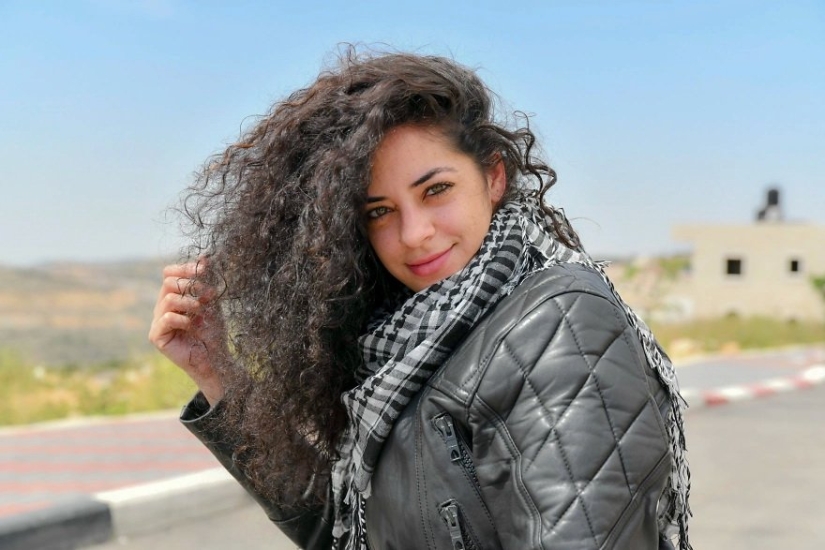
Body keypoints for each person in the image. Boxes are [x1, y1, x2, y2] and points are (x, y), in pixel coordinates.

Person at [149, 50, 691, 550]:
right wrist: (218, 374)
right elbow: (348, 532)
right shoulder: (409, 341)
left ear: (493, 177)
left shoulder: (556, 325)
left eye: (436, 190)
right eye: (379, 211)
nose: (414, 234)